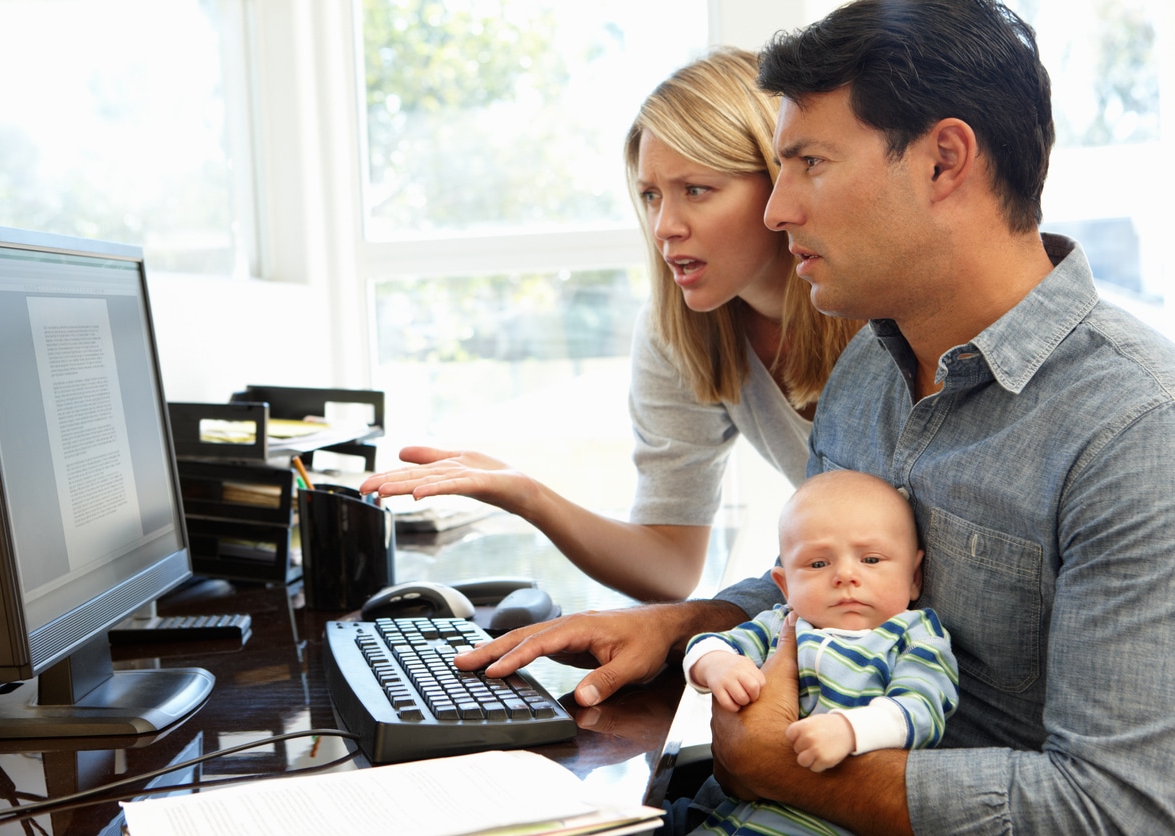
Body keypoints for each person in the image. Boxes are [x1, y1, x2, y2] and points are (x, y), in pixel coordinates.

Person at [453, 1, 1175, 832]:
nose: (775, 209)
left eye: (809, 164)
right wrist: (681, 625)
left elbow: (1121, 809)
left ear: (945, 161)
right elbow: (831, 583)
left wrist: (787, 775)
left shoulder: (1135, 431)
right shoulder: (872, 362)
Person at [360, 47, 861, 603]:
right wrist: (526, 494)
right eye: (650, 195)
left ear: (777, 183)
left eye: (696, 189)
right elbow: (668, 564)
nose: (664, 226)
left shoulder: (876, 309)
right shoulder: (680, 334)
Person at [683, 470, 957, 835]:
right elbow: (709, 643)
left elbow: (922, 709)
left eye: (871, 560)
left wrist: (850, 730)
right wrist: (716, 664)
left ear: (914, 577)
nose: (845, 575)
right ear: (784, 584)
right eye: (818, 564)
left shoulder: (914, 636)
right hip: (728, 812)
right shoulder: (784, 622)